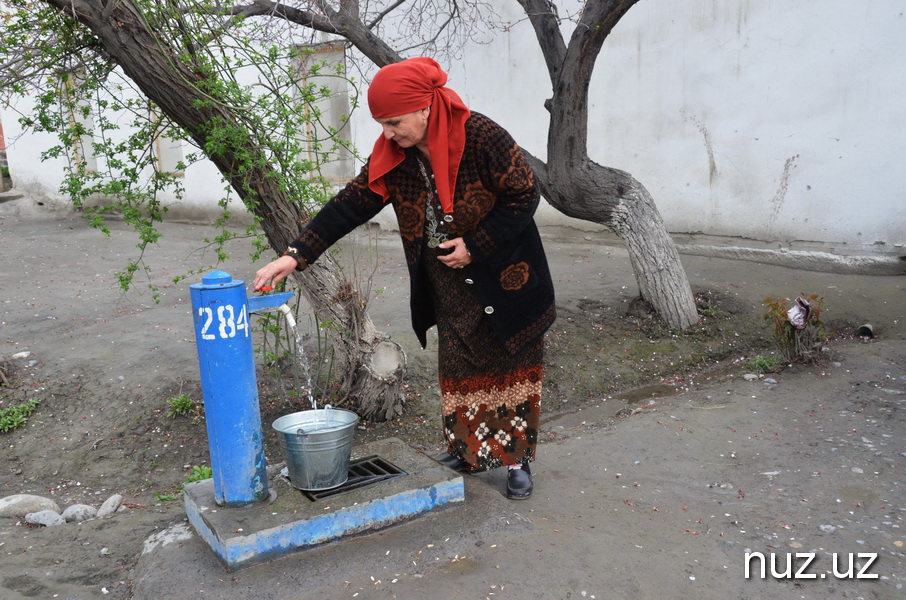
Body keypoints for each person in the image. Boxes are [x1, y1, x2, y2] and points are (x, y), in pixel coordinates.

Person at [253, 57, 555, 500]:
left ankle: (516, 460)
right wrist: (296, 256)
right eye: (382, 124)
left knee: (510, 368)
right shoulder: (393, 156)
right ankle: (467, 450)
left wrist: (477, 243)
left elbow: (524, 193)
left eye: (394, 122)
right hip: (448, 284)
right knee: (459, 370)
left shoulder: (482, 136)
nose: (388, 133)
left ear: (425, 108)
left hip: (505, 278)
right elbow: (350, 205)